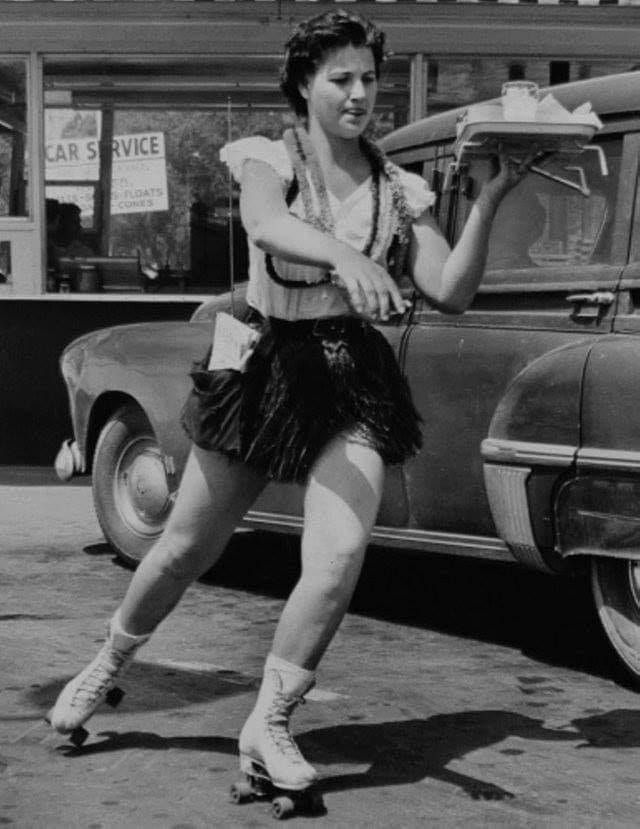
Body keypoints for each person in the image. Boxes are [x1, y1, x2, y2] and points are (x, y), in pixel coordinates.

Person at [48, 10, 536, 796]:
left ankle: (270, 720)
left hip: (352, 374)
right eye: (340, 78)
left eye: (370, 78)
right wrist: (346, 254)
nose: (359, 93)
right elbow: (267, 226)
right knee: (184, 548)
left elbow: (451, 289)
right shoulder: (267, 158)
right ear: (305, 84)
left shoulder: (398, 186)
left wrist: (487, 202)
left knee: (340, 553)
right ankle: (105, 663)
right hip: (267, 364)